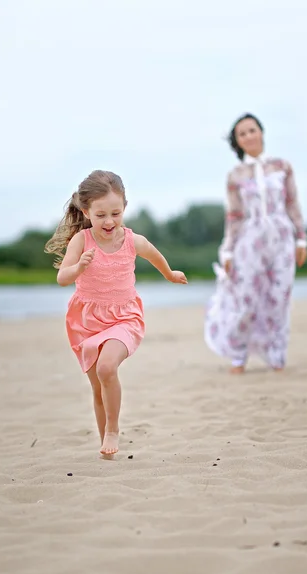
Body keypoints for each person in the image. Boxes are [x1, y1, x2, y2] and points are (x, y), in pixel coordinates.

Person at [45, 170, 187, 455]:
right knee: (99, 388)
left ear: (124, 208)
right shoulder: (81, 242)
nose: (109, 221)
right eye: (100, 215)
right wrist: (78, 268)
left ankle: (113, 430)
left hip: (124, 317)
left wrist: (170, 274)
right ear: (86, 212)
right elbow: (63, 278)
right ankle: (106, 447)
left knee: (107, 367)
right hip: (85, 321)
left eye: (116, 213)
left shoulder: (133, 240)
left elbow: (154, 255)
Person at [204, 113, 307, 374]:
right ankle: (238, 355)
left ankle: (276, 356)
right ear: (237, 142)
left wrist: (301, 239)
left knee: (279, 297)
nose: (248, 136)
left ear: (261, 132)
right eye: (242, 134)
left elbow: (293, 203)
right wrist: (227, 251)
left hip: (282, 238)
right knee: (246, 297)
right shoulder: (235, 175)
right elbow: (234, 216)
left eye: (252, 130)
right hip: (249, 241)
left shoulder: (282, 167)